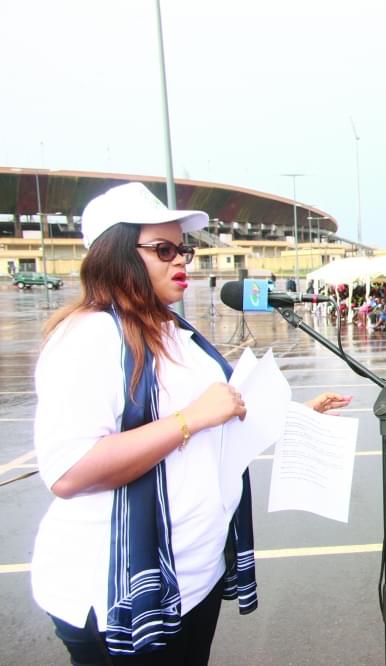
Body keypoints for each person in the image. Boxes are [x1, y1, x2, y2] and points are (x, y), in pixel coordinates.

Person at [31, 183, 352, 664]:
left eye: (183, 248)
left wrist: (292, 416)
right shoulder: (89, 337)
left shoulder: (175, 331)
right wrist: (191, 418)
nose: (182, 260)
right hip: (120, 591)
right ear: (116, 255)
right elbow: (69, 471)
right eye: (163, 249)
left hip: (191, 578)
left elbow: (220, 419)